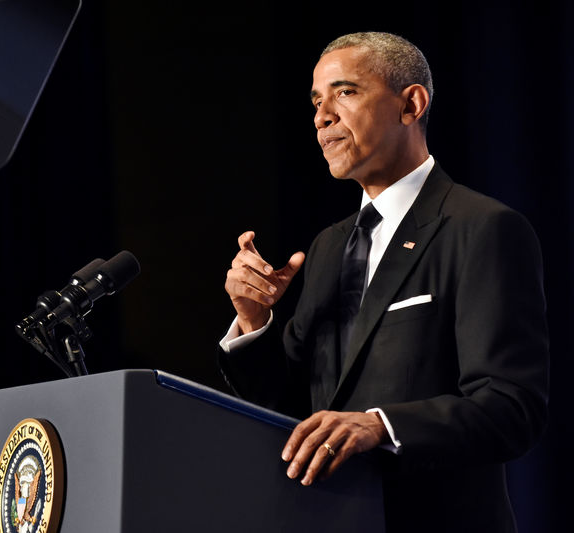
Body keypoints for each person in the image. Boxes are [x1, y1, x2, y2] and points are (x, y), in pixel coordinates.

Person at [219, 32, 549, 532]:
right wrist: (253, 319)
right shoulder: (329, 247)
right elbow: (291, 410)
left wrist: (381, 425)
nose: (321, 116)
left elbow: (510, 408)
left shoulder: (480, 228)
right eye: (316, 101)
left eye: (345, 92)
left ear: (410, 104)